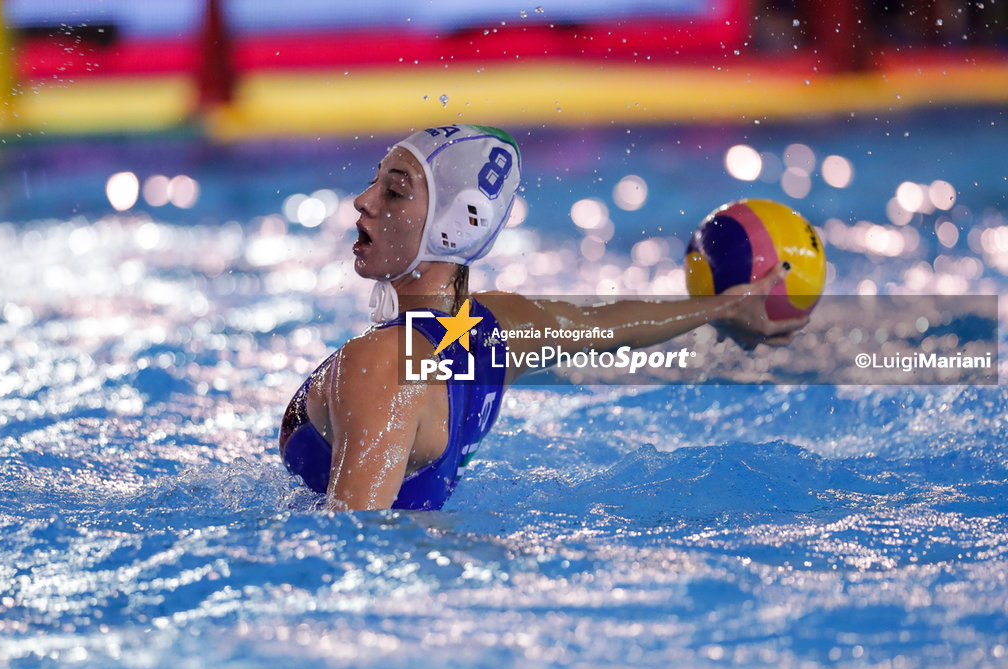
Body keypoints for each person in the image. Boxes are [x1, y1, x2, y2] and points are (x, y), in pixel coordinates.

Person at [279, 124, 805, 511]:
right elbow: (607, 327)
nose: (362, 201)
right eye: (375, 182)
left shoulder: (385, 365)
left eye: (394, 190)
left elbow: (349, 549)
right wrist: (723, 307)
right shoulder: (489, 330)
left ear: (454, 226)